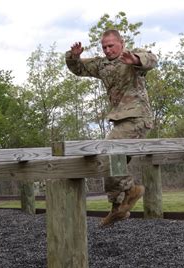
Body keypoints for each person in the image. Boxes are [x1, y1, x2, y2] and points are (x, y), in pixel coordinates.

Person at [65, 29, 158, 227]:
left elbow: (151, 59)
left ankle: (132, 190)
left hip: (137, 118)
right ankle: (118, 208)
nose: (107, 50)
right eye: (104, 47)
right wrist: (74, 57)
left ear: (121, 43)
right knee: (113, 162)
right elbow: (79, 69)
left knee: (109, 152)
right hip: (120, 121)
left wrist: (135, 59)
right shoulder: (102, 65)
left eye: (111, 46)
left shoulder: (131, 58)